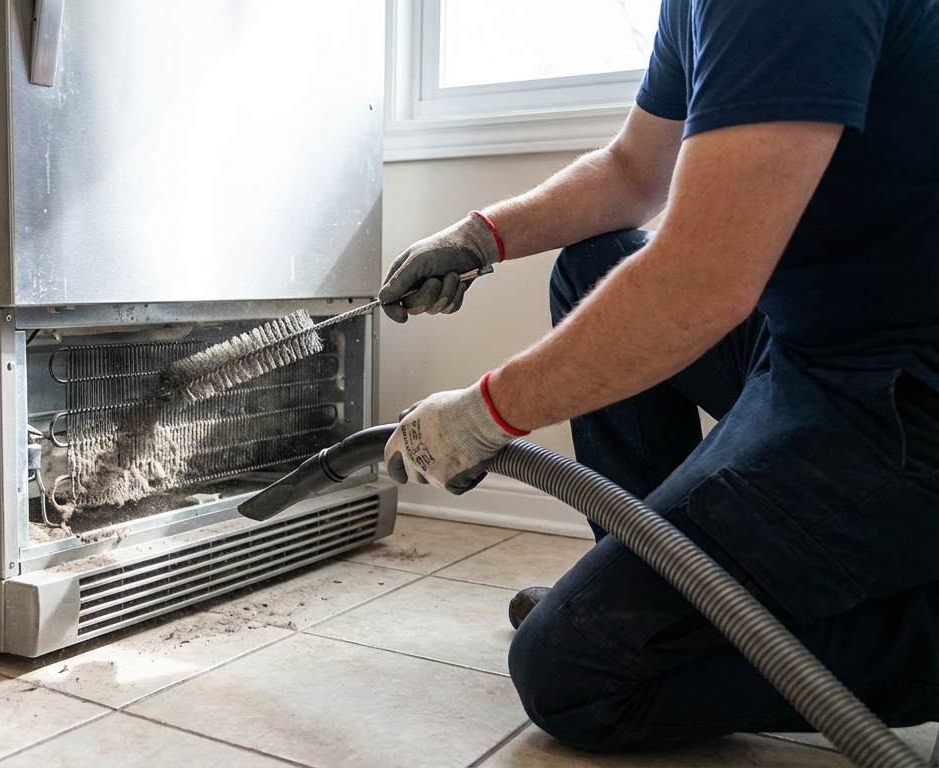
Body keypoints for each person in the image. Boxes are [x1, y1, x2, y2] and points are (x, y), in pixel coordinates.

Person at [379, 0, 939, 752]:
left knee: (571, 676)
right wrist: (480, 237)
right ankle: (653, 595)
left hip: (906, 397)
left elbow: (702, 283)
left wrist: (482, 416)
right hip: (812, 340)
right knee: (593, 265)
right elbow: (635, 170)